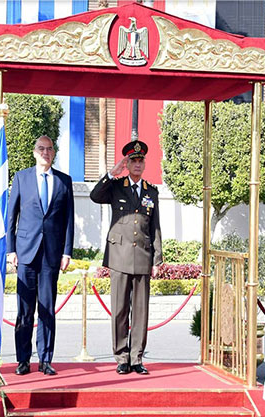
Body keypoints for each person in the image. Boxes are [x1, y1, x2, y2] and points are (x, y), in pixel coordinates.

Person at [90, 140, 162, 375]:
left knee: (140, 312)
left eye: (141, 160)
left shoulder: (151, 191)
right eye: (133, 160)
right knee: (120, 310)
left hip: (142, 255)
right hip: (119, 255)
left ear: (144, 163)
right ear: (127, 163)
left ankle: (136, 357)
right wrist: (113, 172)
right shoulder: (116, 187)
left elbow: (155, 227)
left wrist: (157, 260)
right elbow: (94, 195)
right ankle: (121, 357)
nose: (137, 164)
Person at [7, 135, 74, 376]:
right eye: (41, 149)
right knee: (24, 310)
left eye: (49, 149)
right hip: (26, 252)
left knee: (47, 309)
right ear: (34, 152)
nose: (45, 153)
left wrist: (67, 251)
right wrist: (11, 250)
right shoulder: (21, 178)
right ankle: (23, 360)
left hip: (51, 255)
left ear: (53, 153)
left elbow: (68, 220)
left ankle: (45, 359)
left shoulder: (64, 181)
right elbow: (11, 216)